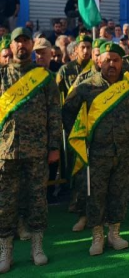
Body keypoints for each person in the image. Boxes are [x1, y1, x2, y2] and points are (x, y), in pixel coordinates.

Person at [62, 42, 129, 256]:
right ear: (99, 61)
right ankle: (97, 236)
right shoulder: (85, 87)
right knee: (96, 195)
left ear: (122, 63)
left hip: (124, 151)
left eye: (116, 60)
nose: (112, 64)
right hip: (96, 153)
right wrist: (80, 139)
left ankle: (114, 234)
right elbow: (66, 113)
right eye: (107, 60)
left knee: (119, 194)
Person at [0, 28, 61, 272]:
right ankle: (6, 251)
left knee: (37, 200)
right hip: (6, 151)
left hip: (37, 151)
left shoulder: (44, 78)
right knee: (5, 202)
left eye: (26, 41)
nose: (22, 45)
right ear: (11, 46)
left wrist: (54, 147)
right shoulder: (1, 76)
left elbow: (53, 114)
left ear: (31, 45)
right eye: (18, 42)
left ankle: (37, 247)